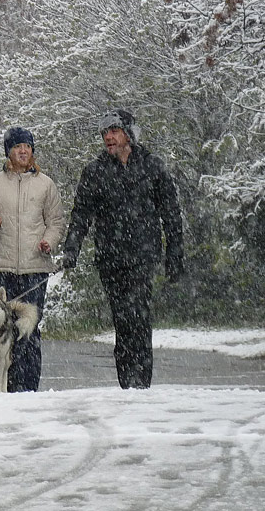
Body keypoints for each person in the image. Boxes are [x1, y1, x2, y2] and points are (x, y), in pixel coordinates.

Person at [60, 109, 184, 389]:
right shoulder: (95, 171)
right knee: (123, 322)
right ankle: (127, 384)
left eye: (114, 131)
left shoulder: (152, 166)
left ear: (129, 134)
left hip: (143, 256)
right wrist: (71, 250)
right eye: (105, 133)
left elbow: (172, 214)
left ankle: (142, 384)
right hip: (110, 259)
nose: (108, 137)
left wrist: (174, 256)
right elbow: (81, 215)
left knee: (139, 317)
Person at [0, 125, 64, 391]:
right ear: (8, 152)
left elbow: (56, 222)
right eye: (17, 147)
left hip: (36, 268)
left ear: (32, 150)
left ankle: (29, 388)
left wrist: (49, 241)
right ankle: (7, 387)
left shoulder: (46, 184)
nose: (23, 151)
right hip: (2, 268)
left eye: (27, 146)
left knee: (29, 330)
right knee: (1, 330)